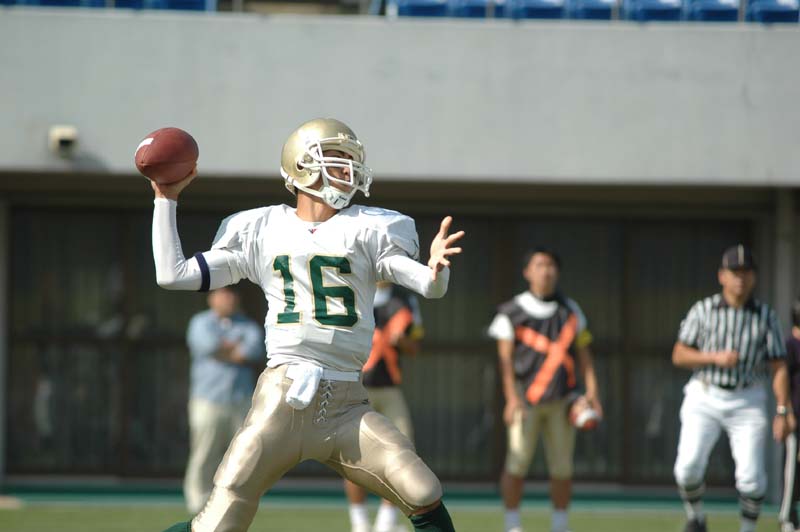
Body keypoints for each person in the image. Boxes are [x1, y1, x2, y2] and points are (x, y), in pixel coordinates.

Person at [153, 118, 464, 532]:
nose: (348, 170)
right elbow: (172, 274)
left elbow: (429, 286)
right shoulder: (261, 228)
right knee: (218, 523)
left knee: (422, 490)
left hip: (347, 404)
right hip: (282, 399)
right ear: (301, 166)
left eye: (350, 160)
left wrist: (437, 269)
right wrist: (165, 200)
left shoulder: (370, 227)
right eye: (336, 159)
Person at [672, 244, 795, 532]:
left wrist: (782, 409)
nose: (740, 278)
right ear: (722, 276)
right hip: (706, 392)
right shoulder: (703, 310)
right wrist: (713, 357)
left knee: (751, 478)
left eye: (746, 272)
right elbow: (679, 354)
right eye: (735, 272)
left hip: (747, 397)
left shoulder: (765, 316)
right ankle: (696, 517)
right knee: (687, 468)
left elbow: (778, 366)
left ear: (754, 277)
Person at [487, 248, 602, 532]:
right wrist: (511, 399)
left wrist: (593, 393)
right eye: (539, 265)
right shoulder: (511, 311)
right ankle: (513, 525)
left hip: (563, 401)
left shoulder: (571, 310)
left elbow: (584, 356)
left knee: (562, 468)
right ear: (527, 272)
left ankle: (560, 525)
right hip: (525, 401)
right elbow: (505, 360)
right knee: (516, 463)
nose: (546, 271)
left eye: (551, 265)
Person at [345, 281, 424, 532]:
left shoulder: (405, 300)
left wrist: (403, 341)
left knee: (401, 453)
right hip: (356, 387)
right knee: (352, 455)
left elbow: (415, 347)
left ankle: (385, 522)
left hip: (390, 389)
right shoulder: (354, 291)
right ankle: (359, 523)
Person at [183, 286, 265, 514]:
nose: (228, 298)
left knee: (240, 454)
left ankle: (234, 498)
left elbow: (252, 351)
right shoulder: (200, 322)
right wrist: (232, 348)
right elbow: (207, 345)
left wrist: (223, 350)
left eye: (232, 294)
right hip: (207, 399)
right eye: (223, 293)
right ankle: (198, 501)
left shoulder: (248, 325)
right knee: (204, 451)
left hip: (240, 399)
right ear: (212, 298)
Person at [779, 296, 800, 532]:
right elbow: (783, 379)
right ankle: (787, 517)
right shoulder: (790, 345)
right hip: (795, 419)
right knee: (792, 469)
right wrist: (787, 412)